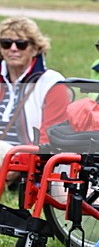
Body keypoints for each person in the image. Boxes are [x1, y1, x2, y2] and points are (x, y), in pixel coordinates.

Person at [0, 17, 70, 170]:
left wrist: (21, 163)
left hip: (26, 161)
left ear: (35, 48)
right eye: (6, 43)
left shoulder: (52, 82)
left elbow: (50, 138)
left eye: (21, 44)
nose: (13, 49)